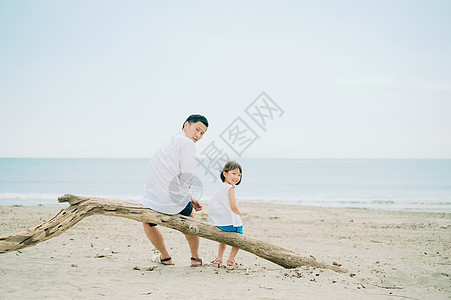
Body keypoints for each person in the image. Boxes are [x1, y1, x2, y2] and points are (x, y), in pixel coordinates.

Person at [141, 114, 208, 267]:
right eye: (197, 129)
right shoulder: (187, 143)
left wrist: (189, 197)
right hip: (174, 203)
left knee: (147, 223)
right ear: (186, 125)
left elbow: (165, 175)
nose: (198, 135)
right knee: (189, 219)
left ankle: (165, 257)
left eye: (202, 133)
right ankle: (195, 259)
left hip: (153, 201)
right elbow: (188, 176)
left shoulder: (168, 143)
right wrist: (187, 197)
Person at [208, 161, 243, 268]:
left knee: (222, 240)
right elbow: (233, 206)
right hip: (231, 223)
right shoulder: (230, 188)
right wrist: (239, 213)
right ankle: (231, 260)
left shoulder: (221, 187)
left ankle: (219, 258)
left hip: (221, 222)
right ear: (225, 174)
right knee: (238, 240)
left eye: (239, 175)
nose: (236, 177)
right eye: (234, 173)